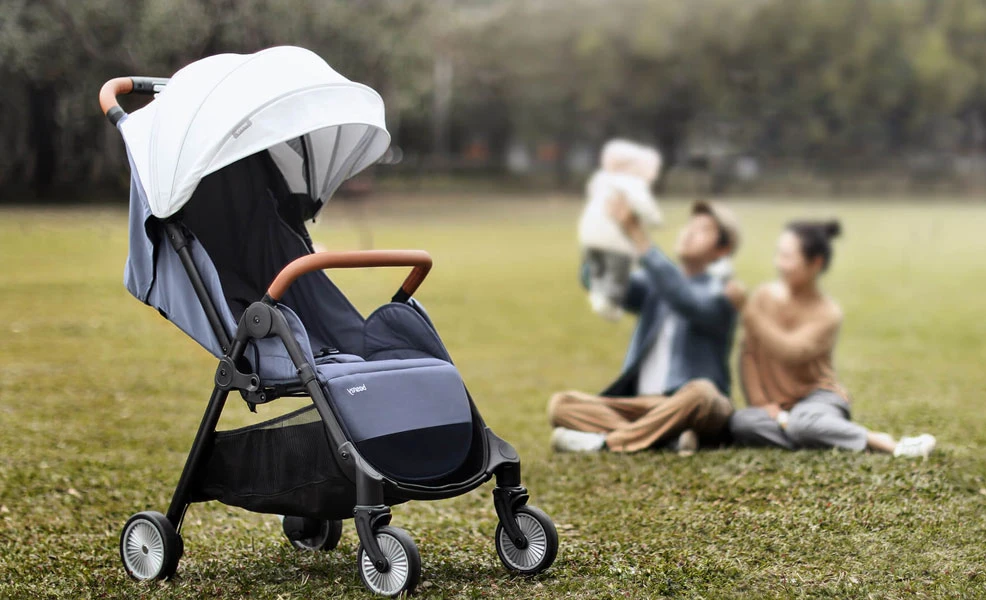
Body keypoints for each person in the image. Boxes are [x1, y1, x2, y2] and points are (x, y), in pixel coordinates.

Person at [549, 198, 746, 454]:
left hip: (692, 404)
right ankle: (665, 438)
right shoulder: (655, 284)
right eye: (689, 226)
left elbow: (686, 299)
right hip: (642, 405)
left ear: (723, 248)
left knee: (702, 393)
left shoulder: (725, 293)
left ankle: (606, 443)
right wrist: (601, 234)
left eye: (702, 230)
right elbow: (599, 282)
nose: (689, 233)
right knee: (561, 404)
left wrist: (638, 235)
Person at [729, 220, 936, 457]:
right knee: (741, 423)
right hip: (777, 411)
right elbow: (749, 353)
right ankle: (820, 436)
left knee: (803, 422)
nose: (780, 264)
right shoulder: (764, 296)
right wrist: (761, 403)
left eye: (788, 257)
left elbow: (790, 351)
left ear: (816, 263)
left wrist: (747, 311)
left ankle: (883, 443)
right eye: (779, 255)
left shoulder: (827, 313)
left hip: (818, 400)